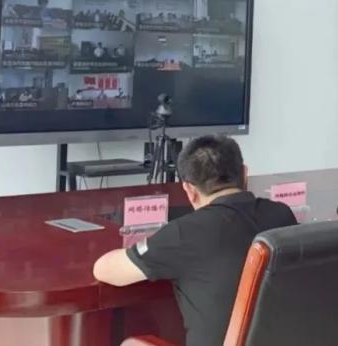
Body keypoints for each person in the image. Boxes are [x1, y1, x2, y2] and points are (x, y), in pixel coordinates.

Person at [93, 135, 297, 346]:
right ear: (245, 174)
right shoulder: (282, 215)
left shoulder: (183, 233)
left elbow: (104, 270)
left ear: (189, 190)